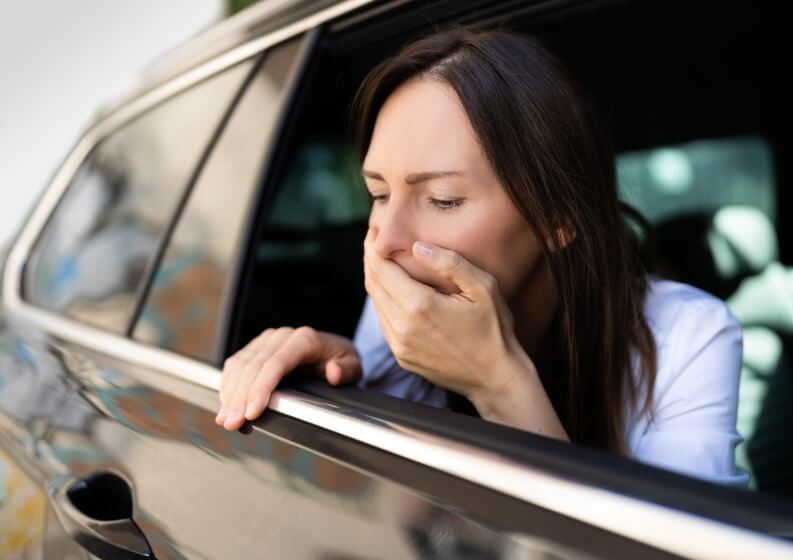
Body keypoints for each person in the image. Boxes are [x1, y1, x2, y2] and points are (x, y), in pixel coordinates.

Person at [216, 28, 749, 487]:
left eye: (442, 199)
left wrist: (500, 384)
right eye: (378, 195)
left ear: (557, 215)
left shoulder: (687, 336)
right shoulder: (406, 294)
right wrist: (347, 376)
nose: (382, 241)